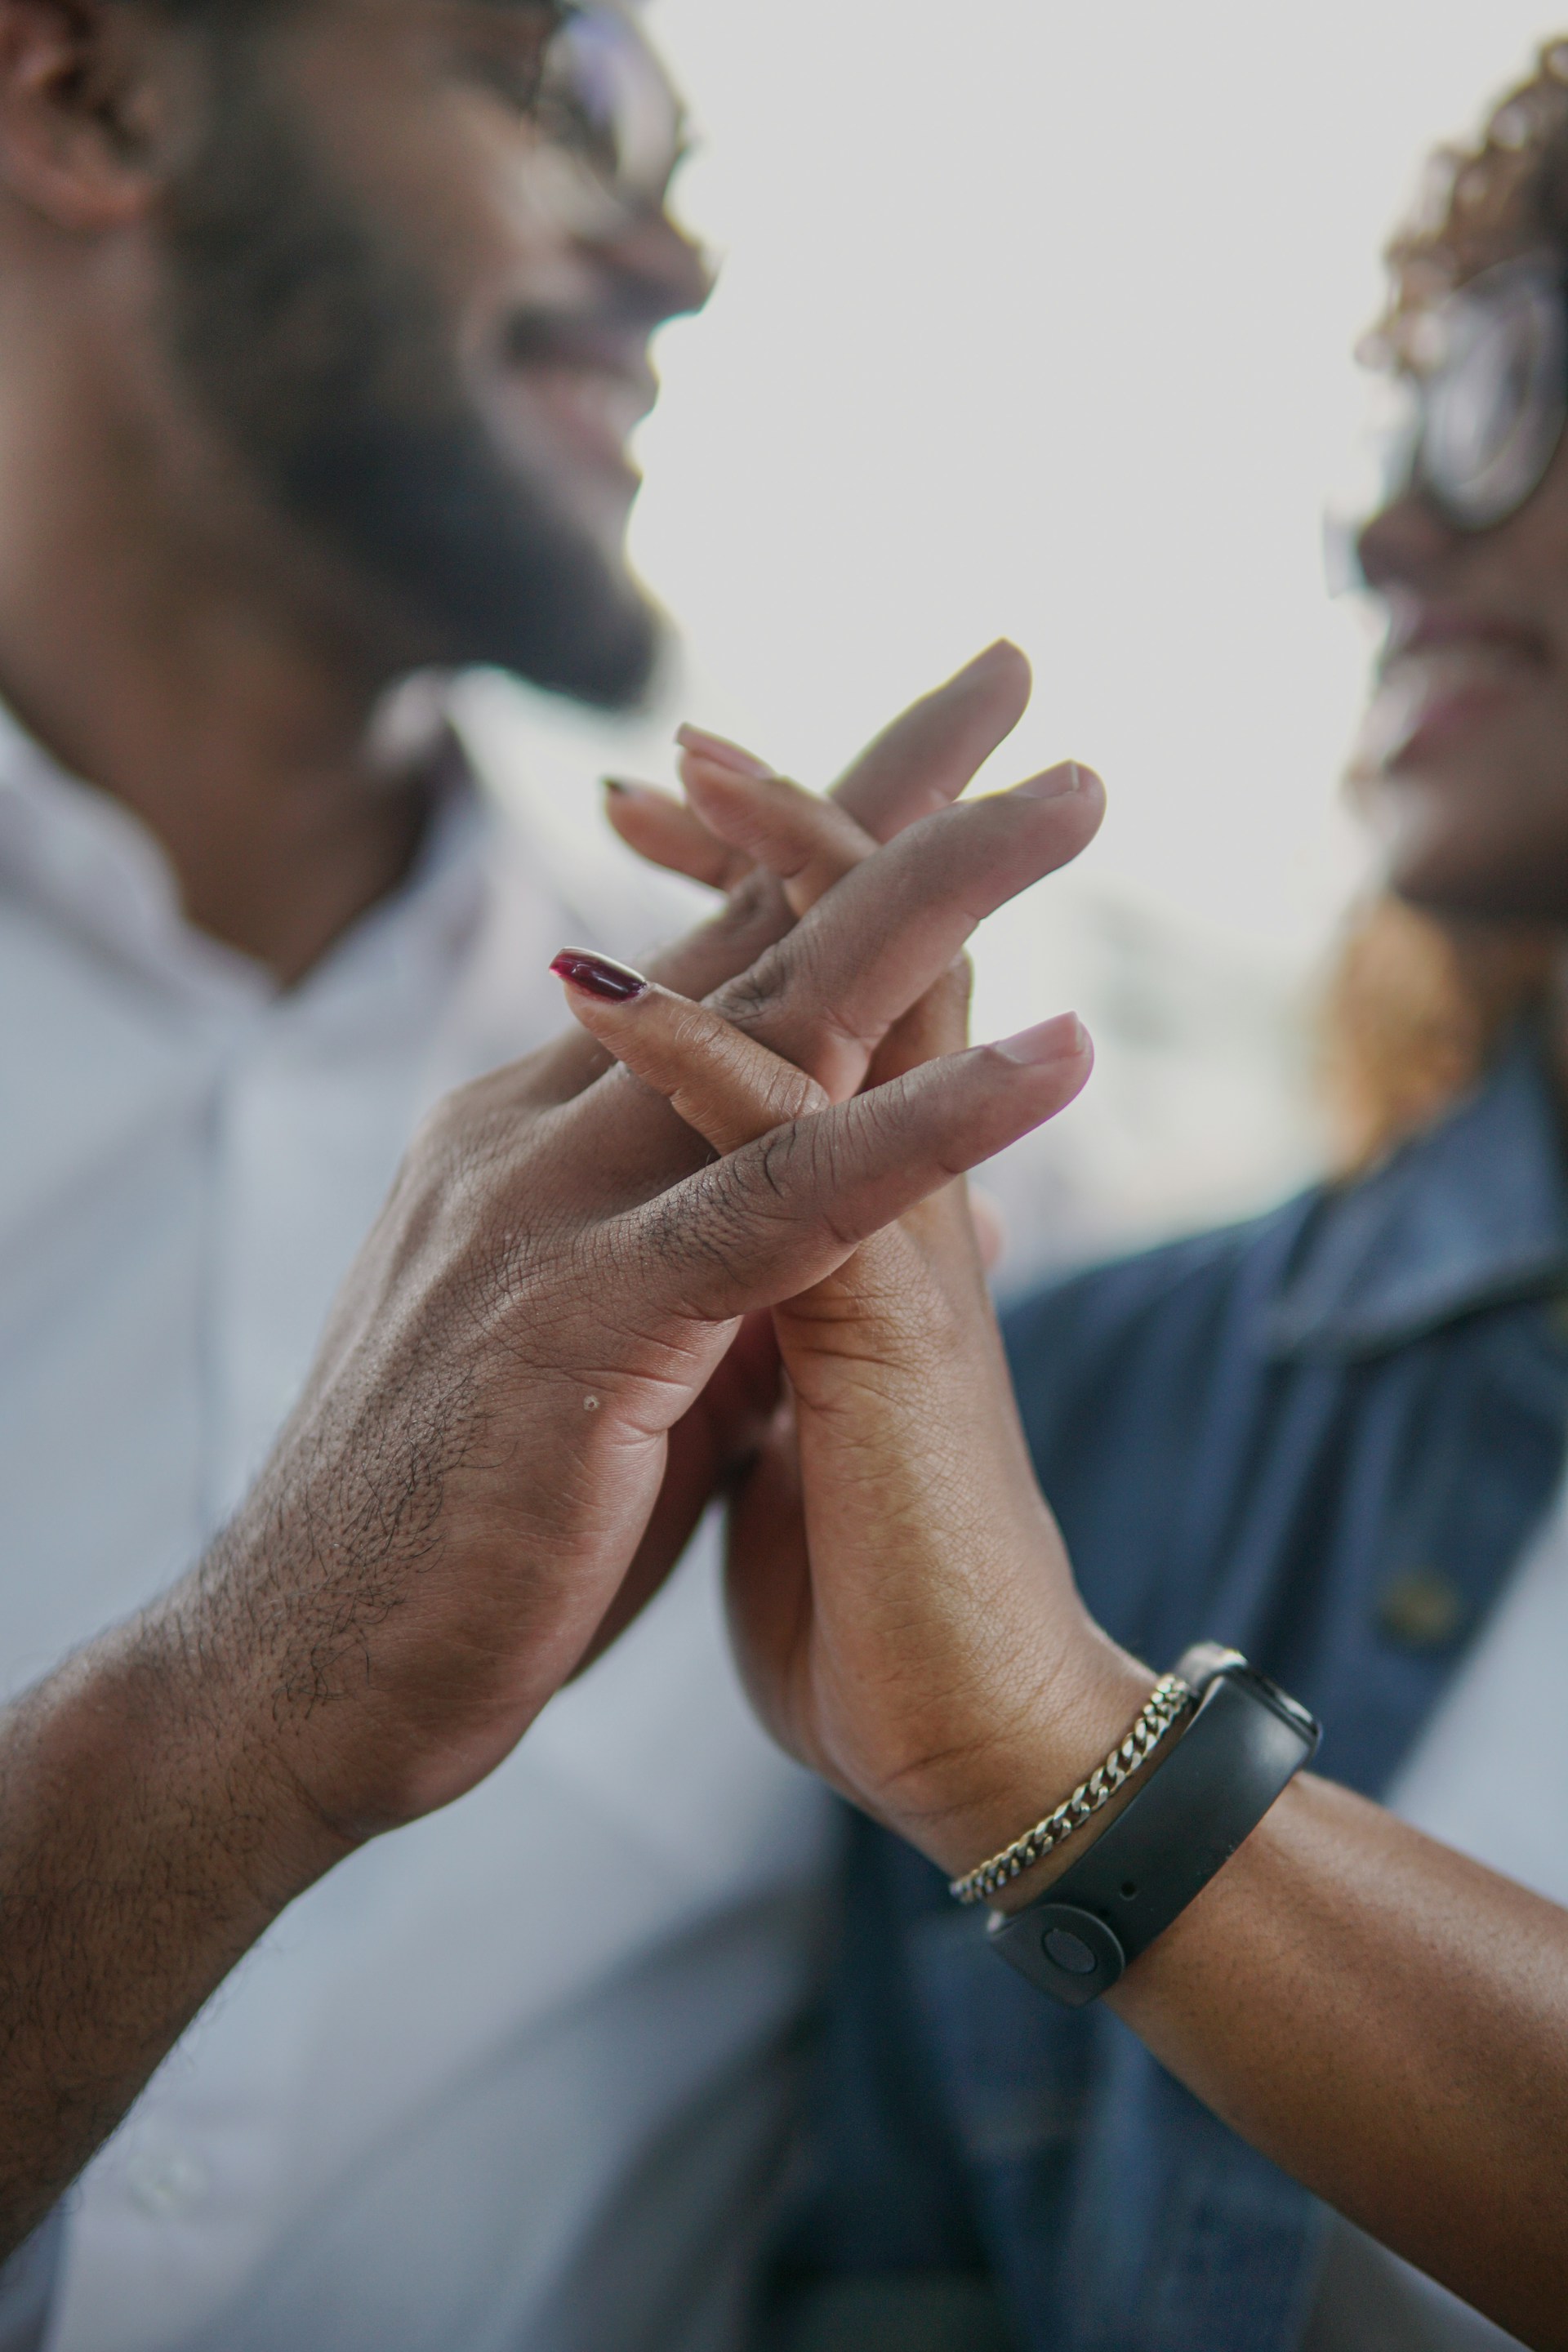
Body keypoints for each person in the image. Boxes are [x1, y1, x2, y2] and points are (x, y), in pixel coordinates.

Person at [0, 2, 1098, 2345]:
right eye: (563, 89)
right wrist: (243, 1708)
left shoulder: (936, 1233)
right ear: (91, 96)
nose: (678, 255)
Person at [592, 42, 1568, 2352]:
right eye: (1403, 421)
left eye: (1512, 390)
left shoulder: (1025, 1577)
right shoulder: (1068, 1414)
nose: (1386, 536)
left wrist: (1075, 1765)